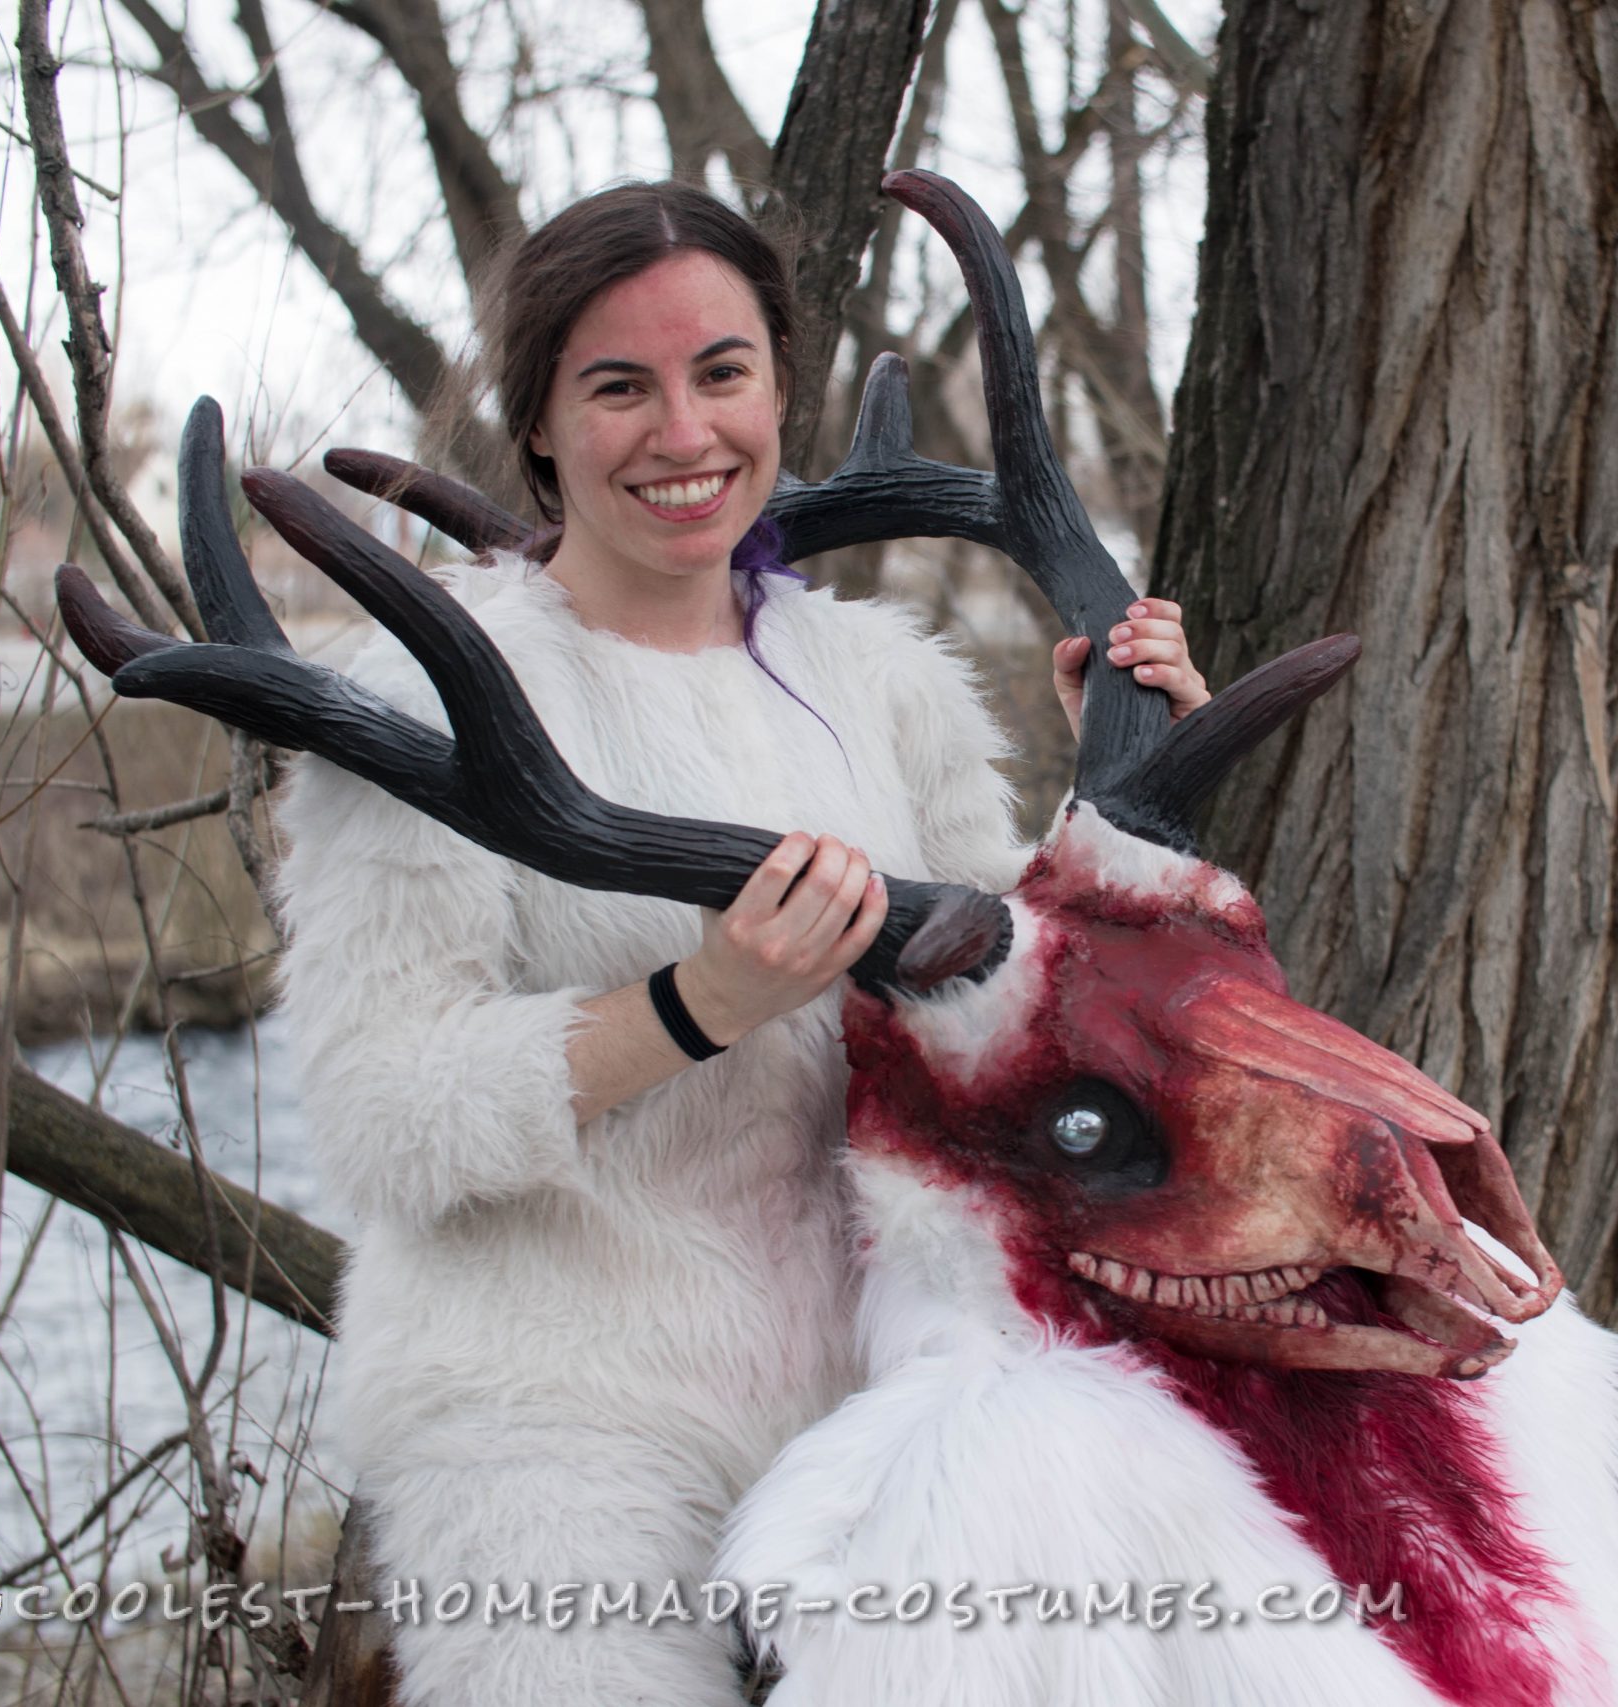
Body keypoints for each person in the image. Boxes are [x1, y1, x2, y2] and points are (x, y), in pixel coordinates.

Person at [267, 181, 1209, 1707]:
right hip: (542, 1418)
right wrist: (697, 1004)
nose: (683, 433)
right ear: (543, 429)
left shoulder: (880, 682)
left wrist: (1130, 761)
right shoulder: (425, 687)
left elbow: (1030, 1021)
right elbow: (384, 1117)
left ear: (781, 386)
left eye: (721, 373)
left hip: (880, 1405)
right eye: (618, 387)